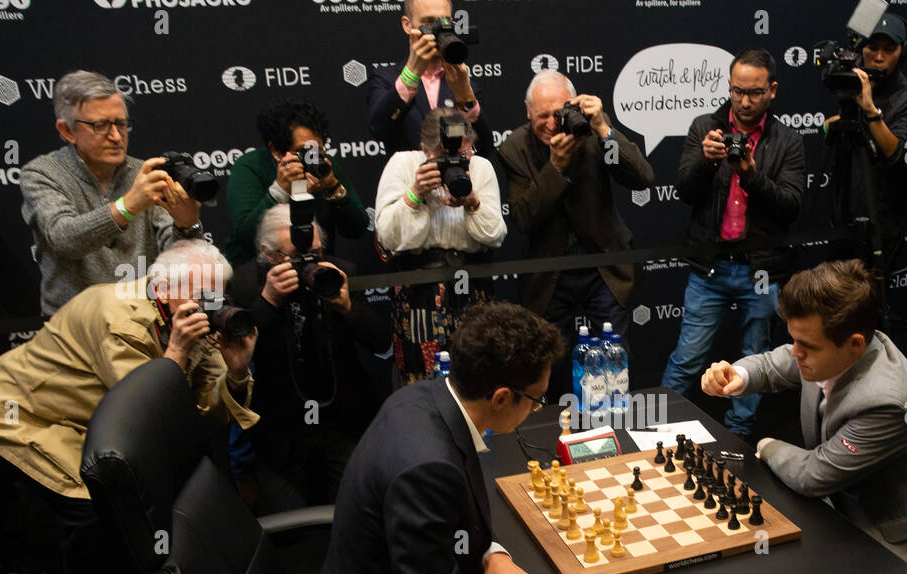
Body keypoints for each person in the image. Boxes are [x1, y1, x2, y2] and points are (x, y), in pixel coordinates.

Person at [0, 240, 257, 574]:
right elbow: (145, 411)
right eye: (202, 296)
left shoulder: (185, 312)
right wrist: (177, 352)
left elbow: (213, 410)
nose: (211, 307)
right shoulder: (119, 318)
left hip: (80, 414)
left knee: (138, 485)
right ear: (164, 286)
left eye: (218, 296)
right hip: (19, 410)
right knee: (91, 506)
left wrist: (234, 368)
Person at [315, 302, 619, 574]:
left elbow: (448, 519)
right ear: (500, 397)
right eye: (535, 399)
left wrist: (491, 553)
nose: (537, 409)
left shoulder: (426, 397)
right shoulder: (427, 466)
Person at [700, 259, 907, 566]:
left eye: (807, 345)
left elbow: (814, 475)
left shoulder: (888, 402)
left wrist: (765, 446)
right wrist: (734, 374)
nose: (796, 352)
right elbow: (773, 365)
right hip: (845, 509)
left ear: (854, 344)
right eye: (794, 339)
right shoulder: (832, 350)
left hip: (905, 547)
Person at [660, 48, 807, 438]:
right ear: (728, 85)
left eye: (755, 92)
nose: (744, 100)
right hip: (710, 268)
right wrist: (707, 162)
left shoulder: (787, 140)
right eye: (737, 90)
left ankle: (738, 437)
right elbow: (684, 192)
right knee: (687, 358)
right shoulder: (704, 127)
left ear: (772, 90)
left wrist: (753, 176)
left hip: (761, 270)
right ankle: (656, 429)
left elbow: (791, 206)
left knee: (752, 363)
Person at [498, 70, 653, 399]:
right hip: (550, 271)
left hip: (603, 267)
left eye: (559, 113)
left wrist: (603, 128)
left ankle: (616, 428)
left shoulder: (592, 131)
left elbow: (642, 177)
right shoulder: (515, 148)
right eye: (542, 116)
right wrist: (555, 168)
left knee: (614, 361)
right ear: (528, 112)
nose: (552, 124)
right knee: (545, 365)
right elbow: (524, 218)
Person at [227, 206, 389, 513]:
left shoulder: (338, 273)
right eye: (294, 256)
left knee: (356, 515)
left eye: (315, 252)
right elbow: (237, 356)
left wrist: (345, 306)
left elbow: (380, 341)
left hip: (341, 422)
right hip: (282, 429)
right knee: (294, 529)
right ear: (269, 254)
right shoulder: (245, 283)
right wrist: (268, 302)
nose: (307, 263)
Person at [21, 70, 204, 316]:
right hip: (75, 325)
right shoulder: (42, 173)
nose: (116, 136)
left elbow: (175, 259)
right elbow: (64, 238)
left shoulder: (144, 172)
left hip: (144, 318)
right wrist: (128, 206)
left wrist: (186, 225)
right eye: (100, 126)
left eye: (121, 123)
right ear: (67, 131)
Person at [374, 107, 505, 385]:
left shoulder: (480, 167)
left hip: (472, 289)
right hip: (420, 291)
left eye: (464, 154)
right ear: (424, 149)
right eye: (442, 156)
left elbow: (496, 235)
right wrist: (415, 194)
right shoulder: (403, 164)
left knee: (479, 374)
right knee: (422, 378)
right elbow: (387, 238)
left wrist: (472, 201)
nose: (456, 161)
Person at [223, 99, 369, 268]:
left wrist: (333, 187)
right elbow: (246, 236)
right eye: (302, 152)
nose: (311, 158)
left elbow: (357, 229)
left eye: (318, 151)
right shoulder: (251, 165)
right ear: (276, 151)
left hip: (314, 268)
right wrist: (279, 190)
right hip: (259, 270)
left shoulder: (326, 166)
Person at [823, 13, 907, 266]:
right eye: (872, 47)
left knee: (871, 298)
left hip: (882, 222)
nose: (878, 56)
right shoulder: (851, 83)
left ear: (903, 52)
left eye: (889, 49)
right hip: (843, 216)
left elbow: (896, 153)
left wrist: (870, 110)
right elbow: (829, 129)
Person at [366, 0, 486, 153]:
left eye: (445, 22)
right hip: (412, 175)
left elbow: (485, 147)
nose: (439, 32)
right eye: (429, 22)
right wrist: (411, 74)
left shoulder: (462, 81)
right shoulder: (386, 80)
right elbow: (378, 129)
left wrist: (465, 96)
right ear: (408, 25)